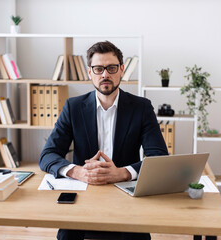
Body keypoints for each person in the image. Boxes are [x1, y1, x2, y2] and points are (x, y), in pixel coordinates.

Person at [39, 41, 168, 240]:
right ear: (90, 72)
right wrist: (77, 172)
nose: (105, 74)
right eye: (98, 69)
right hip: (83, 195)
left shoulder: (141, 108)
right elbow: (48, 155)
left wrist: (123, 173)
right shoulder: (73, 107)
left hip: (127, 195)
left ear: (122, 70)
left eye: (111, 68)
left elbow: (159, 157)